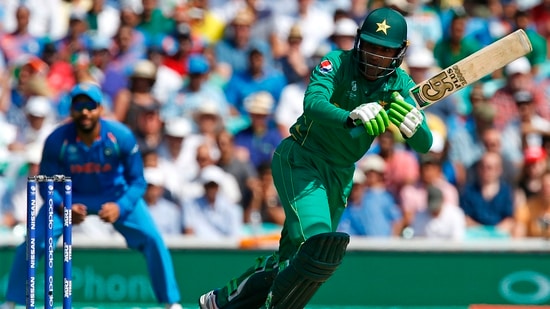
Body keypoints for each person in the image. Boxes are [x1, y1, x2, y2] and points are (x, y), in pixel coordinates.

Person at [199, 7, 433, 309]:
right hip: (302, 159)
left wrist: (416, 129)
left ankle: (220, 301)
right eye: (372, 47)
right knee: (317, 246)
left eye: (385, 51)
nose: (375, 57)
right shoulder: (335, 62)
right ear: (359, 41)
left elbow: (425, 144)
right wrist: (349, 117)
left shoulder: (398, 84)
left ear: (399, 53)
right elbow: (312, 103)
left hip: (341, 174)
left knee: (294, 257)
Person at [0, 83, 183, 309]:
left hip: (115, 196)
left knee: (153, 239)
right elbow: (46, 184)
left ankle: (171, 303)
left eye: (90, 106)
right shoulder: (57, 140)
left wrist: (121, 206)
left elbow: (137, 181)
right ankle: (12, 303)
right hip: (70, 197)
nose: (85, 112)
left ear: (100, 109)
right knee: (35, 241)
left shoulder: (121, 136)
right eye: (79, 106)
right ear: (71, 110)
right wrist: (64, 207)